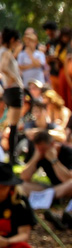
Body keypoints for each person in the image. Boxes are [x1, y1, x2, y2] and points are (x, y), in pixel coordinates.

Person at [19, 129, 72, 202]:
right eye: (38, 149)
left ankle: (47, 197)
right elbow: (24, 177)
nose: (41, 152)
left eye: (43, 149)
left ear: (52, 144)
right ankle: (50, 198)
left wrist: (54, 160)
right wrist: (35, 158)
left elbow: (68, 179)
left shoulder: (68, 152)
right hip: (54, 189)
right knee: (22, 185)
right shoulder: (40, 154)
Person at [0, 165, 35, 248]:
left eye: (2, 188)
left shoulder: (20, 203)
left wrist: (7, 242)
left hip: (9, 245)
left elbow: (24, 235)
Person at [1, 29, 25, 164]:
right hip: (14, 90)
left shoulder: (2, 51)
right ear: (12, 40)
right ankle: (12, 157)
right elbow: (3, 67)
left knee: (10, 124)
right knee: (14, 126)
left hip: (9, 90)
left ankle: (11, 155)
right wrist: (15, 77)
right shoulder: (6, 52)